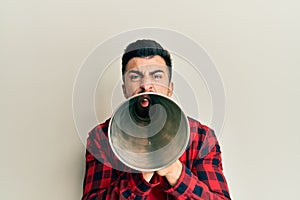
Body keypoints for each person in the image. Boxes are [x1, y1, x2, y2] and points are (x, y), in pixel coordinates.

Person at [82, 39, 231, 199]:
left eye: (157, 76)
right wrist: (141, 174)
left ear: (170, 89)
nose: (146, 85)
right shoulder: (101, 137)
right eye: (135, 77)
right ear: (124, 89)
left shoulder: (201, 137)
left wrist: (175, 172)